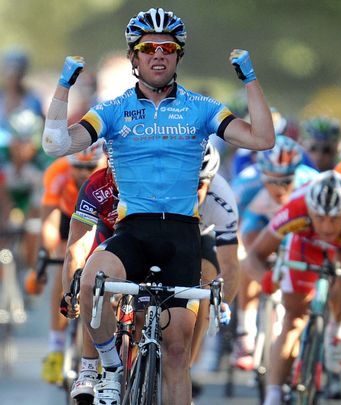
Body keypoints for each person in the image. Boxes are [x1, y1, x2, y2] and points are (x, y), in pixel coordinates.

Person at [41, 7, 274, 405]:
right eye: (148, 47)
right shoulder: (113, 110)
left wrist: (250, 80)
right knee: (91, 283)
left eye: (168, 47)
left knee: (177, 351)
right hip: (134, 231)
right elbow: (55, 145)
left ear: (178, 55)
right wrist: (63, 87)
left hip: (182, 234)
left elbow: (262, 139)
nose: (158, 54)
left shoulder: (201, 107)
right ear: (134, 57)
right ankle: (111, 366)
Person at [61, 143, 240, 401]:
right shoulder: (121, 181)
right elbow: (76, 250)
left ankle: (186, 363)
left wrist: (223, 304)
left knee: (204, 286)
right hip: (133, 232)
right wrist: (72, 290)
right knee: (96, 278)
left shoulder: (221, 199)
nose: (194, 191)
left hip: (198, 239)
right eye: (189, 183)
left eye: (200, 185)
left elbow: (231, 265)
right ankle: (99, 366)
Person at [241, 170, 341, 405]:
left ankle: (337, 328)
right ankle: (274, 394)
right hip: (304, 244)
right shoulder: (295, 208)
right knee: (294, 319)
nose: (327, 226)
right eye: (319, 217)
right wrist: (266, 280)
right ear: (309, 209)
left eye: (334, 218)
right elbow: (253, 256)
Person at [230, 135, 317, 370]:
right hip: (258, 224)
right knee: (248, 255)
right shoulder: (246, 183)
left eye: (286, 181)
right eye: (273, 181)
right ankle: (245, 332)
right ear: (262, 173)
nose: (280, 188)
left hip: (293, 228)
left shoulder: (310, 183)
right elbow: (229, 225)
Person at [38, 143, 105, 385]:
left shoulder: (111, 171)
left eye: (90, 167)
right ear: (70, 164)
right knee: (64, 266)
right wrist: (44, 255)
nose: (84, 174)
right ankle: (56, 349)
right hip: (69, 216)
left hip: (101, 216)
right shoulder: (57, 172)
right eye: (78, 167)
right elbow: (49, 221)